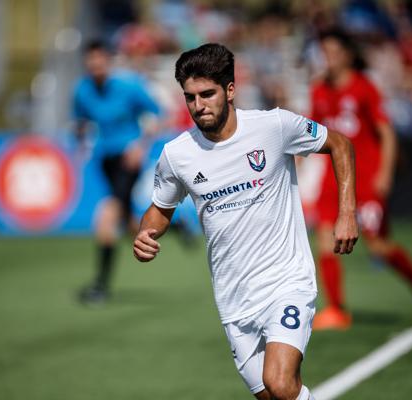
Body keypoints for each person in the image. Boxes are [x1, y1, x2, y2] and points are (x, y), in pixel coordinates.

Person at [133, 43, 358, 400]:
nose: (198, 106)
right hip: (234, 300)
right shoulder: (177, 155)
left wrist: (347, 213)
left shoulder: (275, 126)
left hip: (286, 281)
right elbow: (161, 208)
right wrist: (146, 233)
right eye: (189, 97)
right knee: (274, 396)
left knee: (280, 382)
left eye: (207, 94)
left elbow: (341, 144)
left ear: (231, 90)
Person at [309, 30, 412, 330]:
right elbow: (312, 133)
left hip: (366, 179)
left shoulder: (364, 87)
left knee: (378, 247)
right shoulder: (318, 90)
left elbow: (386, 132)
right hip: (332, 179)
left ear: (346, 55)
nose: (327, 58)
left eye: (332, 52)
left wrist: (384, 172)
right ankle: (336, 309)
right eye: (324, 52)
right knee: (323, 241)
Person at [72, 39, 161, 304]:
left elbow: (156, 114)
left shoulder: (129, 85)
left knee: (107, 215)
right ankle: (175, 225)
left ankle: (100, 286)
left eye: (100, 59)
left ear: (108, 60)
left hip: (128, 160)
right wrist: (80, 140)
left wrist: (141, 146)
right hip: (105, 161)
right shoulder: (82, 91)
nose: (95, 65)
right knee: (125, 218)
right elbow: (80, 122)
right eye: (91, 61)